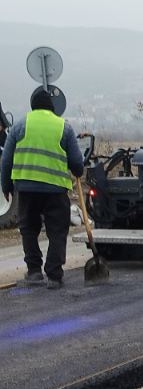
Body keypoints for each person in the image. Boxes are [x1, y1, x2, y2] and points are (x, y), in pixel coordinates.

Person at [0, 88, 84, 288]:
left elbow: (6, 160)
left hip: (26, 189)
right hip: (55, 190)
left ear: (32, 105)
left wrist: (6, 186)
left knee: (28, 228)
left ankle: (34, 271)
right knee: (57, 230)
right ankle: (54, 275)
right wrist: (78, 171)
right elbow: (76, 162)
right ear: (52, 107)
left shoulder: (20, 126)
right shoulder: (64, 127)